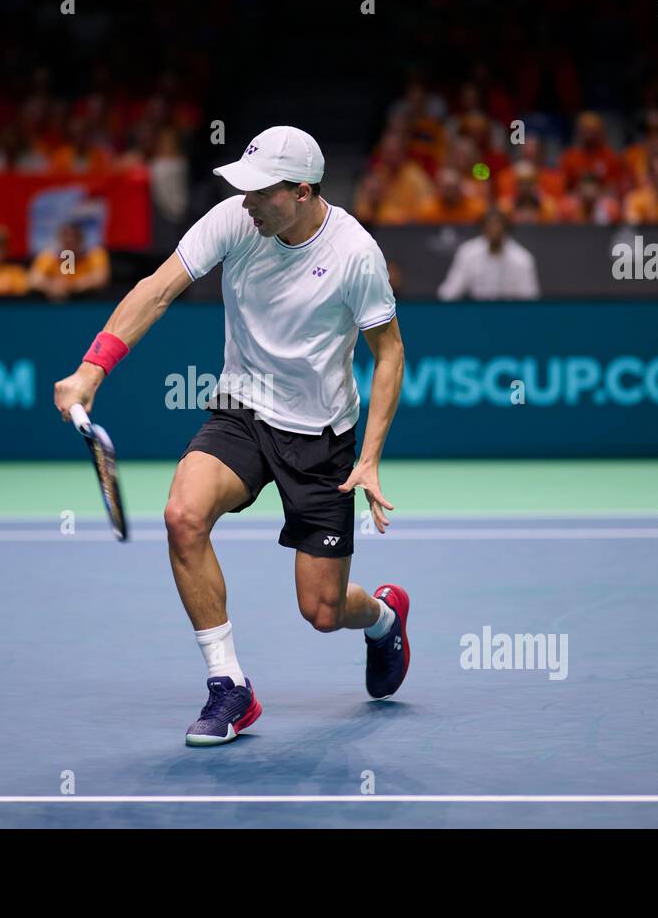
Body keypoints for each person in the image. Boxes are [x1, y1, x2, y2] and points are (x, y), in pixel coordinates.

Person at [52, 126, 409, 746]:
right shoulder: (236, 221)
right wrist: (92, 369)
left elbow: (390, 353)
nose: (244, 201)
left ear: (300, 191)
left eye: (259, 191)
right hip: (241, 409)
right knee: (182, 516)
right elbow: (156, 290)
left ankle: (382, 618)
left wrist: (371, 457)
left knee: (322, 612)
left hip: (321, 435)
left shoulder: (356, 254)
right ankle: (230, 689)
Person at [437, 209, 540, 301]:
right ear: (483, 228)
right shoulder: (467, 253)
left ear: (506, 228)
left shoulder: (522, 259)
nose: (494, 229)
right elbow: (450, 291)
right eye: (490, 225)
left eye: (498, 225)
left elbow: (529, 297)